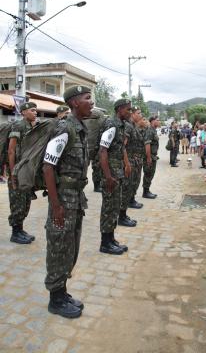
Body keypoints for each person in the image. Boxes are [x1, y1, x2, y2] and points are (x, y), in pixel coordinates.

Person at [43, 85, 93, 319]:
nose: (91, 102)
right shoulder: (64, 128)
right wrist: (56, 206)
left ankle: (62, 292)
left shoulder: (80, 127)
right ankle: (55, 299)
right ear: (74, 103)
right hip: (63, 200)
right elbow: (48, 166)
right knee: (59, 248)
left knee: (70, 248)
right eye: (87, 98)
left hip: (76, 198)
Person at [99, 98, 132, 254]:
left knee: (114, 206)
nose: (130, 112)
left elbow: (120, 147)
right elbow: (103, 150)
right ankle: (105, 243)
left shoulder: (121, 125)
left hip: (116, 172)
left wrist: (126, 164)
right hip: (110, 174)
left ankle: (111, 238)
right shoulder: (111, 124)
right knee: (108, 207)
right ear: (119, 109)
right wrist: (108, 176)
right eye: (128, 109)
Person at [7, 101, 38, 244]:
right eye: (32, 110)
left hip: (27, 171)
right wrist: (13, 173)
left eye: (35, 110)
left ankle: (20, 229)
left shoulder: (33, 126)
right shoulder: (18, 126)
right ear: (24, 112)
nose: (35, 112)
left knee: (25, 202)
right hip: (18, 171)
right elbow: (11, 150)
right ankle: (15, 233)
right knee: (17, 203)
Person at [119, 107, 144, 226]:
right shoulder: (128, 126)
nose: (140, 115)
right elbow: (123, 146)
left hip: (133, 161)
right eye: (138, 113)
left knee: (129, 188)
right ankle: (121, 216)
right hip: (128, 163)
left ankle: (123, 215)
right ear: (133, 114)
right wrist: (127, 163)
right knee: (125, 189)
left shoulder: (133, 126)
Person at [143, 116, 160, 198]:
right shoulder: (150, 130)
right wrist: (148, 157)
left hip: (153, 156)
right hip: (150, 156)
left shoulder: (153, 130)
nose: (159, 121)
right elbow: (147, 144)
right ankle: (145, 192)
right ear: (153, 121)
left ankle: (147, 190)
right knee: (148, 173)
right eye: (157, 120)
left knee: (150, 174)